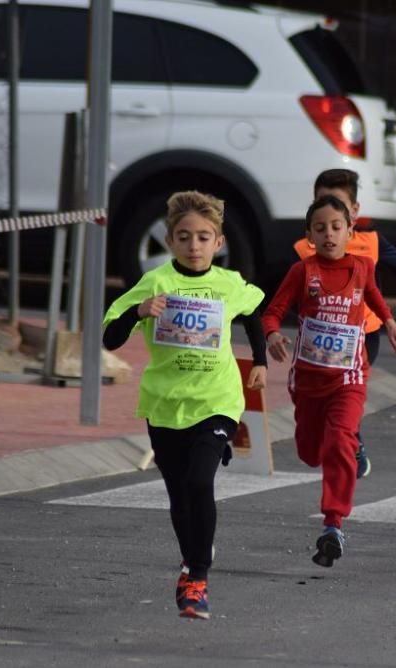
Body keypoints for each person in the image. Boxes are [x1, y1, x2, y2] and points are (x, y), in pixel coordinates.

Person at [102, 191, 268, 619]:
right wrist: (139, 310)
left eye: (203, 237)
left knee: (199, 483)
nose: (194, 245)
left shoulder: (229, 285)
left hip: (218, 400)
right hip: (165, 404)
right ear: (171, 242)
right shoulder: (155, 283)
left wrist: (262, 360)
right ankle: (191, 553)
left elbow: (254, 311)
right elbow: (110, 337)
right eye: (184, 237)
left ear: (219, 243)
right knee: (179, 498)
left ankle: (197, 577)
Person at [263, 194, 396, 567]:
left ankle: (333, 524)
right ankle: (331, 490)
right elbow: (273, 312)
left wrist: (391, 325)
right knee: (310, 451)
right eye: (320, 228)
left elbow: (375, 299)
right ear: (309, 236)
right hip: (309, 380)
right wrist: (273, 335)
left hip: (350, 377)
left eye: (336, 227)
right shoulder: (302, 272)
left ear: (349, 231)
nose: (329, 234)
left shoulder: (362, 267)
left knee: (340, 440)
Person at [293, 168, 396, 479]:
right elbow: (280, 291)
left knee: (347, 389)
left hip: (364, 336)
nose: (330, 220)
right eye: (323, 202)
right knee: (320, 397)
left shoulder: (371, 243)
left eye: (339, 206)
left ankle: (353, 442)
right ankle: (334, 436)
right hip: (317, 341)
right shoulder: (305, 247)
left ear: (355, 212)